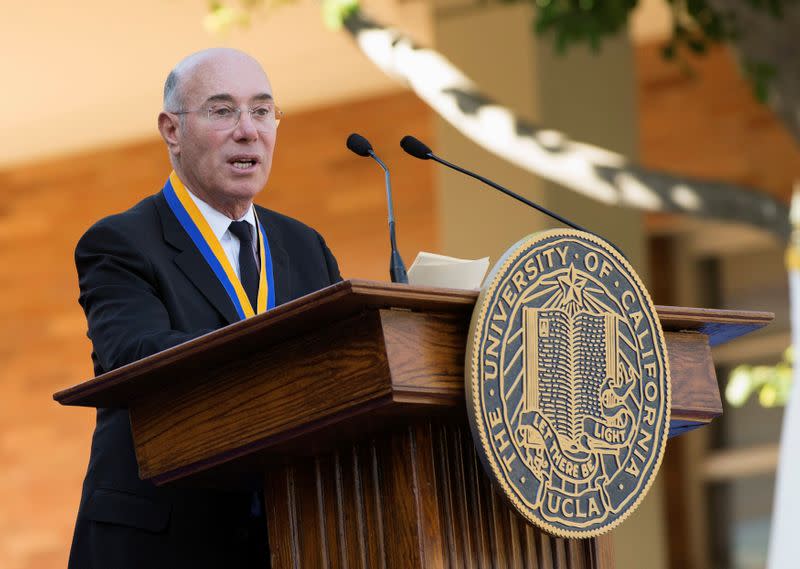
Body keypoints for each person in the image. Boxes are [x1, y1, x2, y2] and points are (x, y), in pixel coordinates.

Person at [68, 48, 341, 568]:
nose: (248, 130)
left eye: (262, 111)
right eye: (222, 111)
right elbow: (135, 356)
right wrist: (278, 360)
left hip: (293, 538)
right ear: (172, 130)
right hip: (163, 542)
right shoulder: (120, 243)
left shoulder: (306, 248)